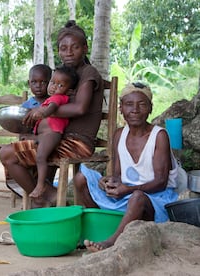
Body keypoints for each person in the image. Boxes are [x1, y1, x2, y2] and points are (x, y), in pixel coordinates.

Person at [0, 20, 104, 207]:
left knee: (8, 154)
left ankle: (45, 196)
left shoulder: (89, 73)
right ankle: (46, 194)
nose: (69, 52)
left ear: (85, 48)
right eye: (63, 48)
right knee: (13, 150)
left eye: (74, 47)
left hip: (78, 142)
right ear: (59, 52)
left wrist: (43, 111)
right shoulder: (65, 75)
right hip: (61, 138)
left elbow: (80, 108)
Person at [75, 82, 179, 252]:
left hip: (154, 200)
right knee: (81, 178)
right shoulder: (119, 134)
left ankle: (112, 242)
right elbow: (118, 175)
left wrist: (128, 190)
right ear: (121, 108)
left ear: (151, 108)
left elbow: (160, 182)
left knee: (137, 197)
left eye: (142, 104)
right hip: (126, 196)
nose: (135, 109)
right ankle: (103, 228)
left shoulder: (159, 136)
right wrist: (108, 181)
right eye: (129, 104)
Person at [29, 65, 79, 199]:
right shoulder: (50, 98)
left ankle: (41, 184)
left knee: (40, 157)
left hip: (52, 134)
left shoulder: (58, 98)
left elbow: (52, 108)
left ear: (69, 91)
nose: (54, 87)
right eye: (52, 82)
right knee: (37, 157)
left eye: (60, 85)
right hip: (44, 134)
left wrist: (43, 113)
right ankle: (43, 183)